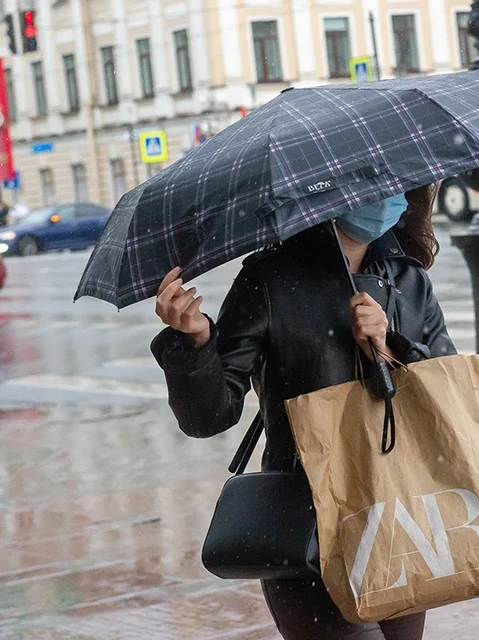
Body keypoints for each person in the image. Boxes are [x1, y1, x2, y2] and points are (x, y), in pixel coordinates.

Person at [151, 184, 454, 640]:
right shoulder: (269, 279)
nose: (386, 194)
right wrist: (195, 345)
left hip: (398, 508)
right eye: (368, 181)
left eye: (394, 183)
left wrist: (390, 346)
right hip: (305, 515)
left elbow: (446, 393)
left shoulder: (408, 280)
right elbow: (208, 417)